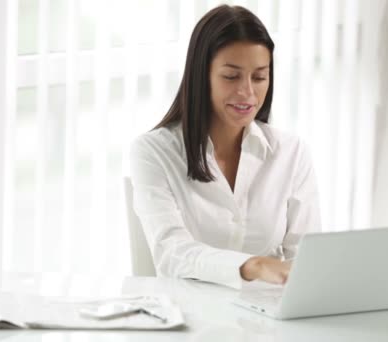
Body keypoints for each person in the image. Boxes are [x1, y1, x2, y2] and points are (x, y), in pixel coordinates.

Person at [129, 5, 321, 289]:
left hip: (267, 323)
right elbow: (171, 252)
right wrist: (252, 266)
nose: (247, 92)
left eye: (259, 77)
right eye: (231, 76)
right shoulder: (152, 152)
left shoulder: (291, 152)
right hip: (191, 321)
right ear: (201, 75)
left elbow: (306, 258)